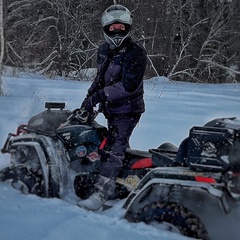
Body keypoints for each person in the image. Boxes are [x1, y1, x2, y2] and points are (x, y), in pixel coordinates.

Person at [78, 4, 147, 210]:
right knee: (102, 142)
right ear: (105, 29)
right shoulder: (104, 50)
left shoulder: (136, 52)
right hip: (111, 108)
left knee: (115, 148)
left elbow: (129, 85)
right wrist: (88, 100)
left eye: (121, 27)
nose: (117, 31)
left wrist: (99, 96)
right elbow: (100, 79)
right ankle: (123, 181)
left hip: (128, 110)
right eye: (112, 28)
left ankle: (100, 193)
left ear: (128, 28)